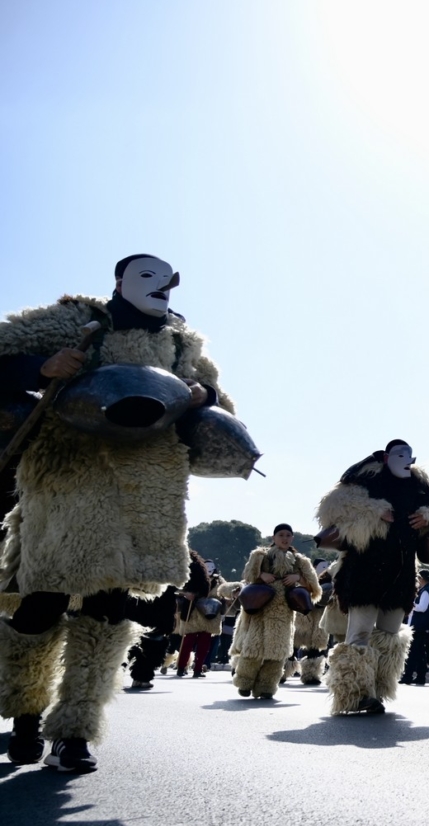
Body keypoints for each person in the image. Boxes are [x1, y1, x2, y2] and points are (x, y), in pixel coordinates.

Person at [0, 254, 236, 772]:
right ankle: (24, 714)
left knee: (108, 612)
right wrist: (37, 367)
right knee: (42, 603)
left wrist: (205, 393)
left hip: (144, 490)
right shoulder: (73, 320)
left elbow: (224, 410)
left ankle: (75, 731)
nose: (163, 286)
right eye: (148, 276)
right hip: (68, 481)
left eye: (169, 279)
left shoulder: (184, 344)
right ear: (120, 282)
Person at [316, 440, 429, 715]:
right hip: (364, 571)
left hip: (401, 574)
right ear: (386, 457)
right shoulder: (365, 478)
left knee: (389, 634)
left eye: (410, 455)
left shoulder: (422, 486)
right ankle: (355, 695)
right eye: (400, 454)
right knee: (359, 631)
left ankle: (377, 691)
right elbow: (332, 507)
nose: (407, 459)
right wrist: (373, 510)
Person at [228, 525, 320, 700]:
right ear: (274, 537)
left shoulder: (301, 561)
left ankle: (267, 687)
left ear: (292, 538)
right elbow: (247, 575)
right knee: (253, 648)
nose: (284, 538)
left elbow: (315, 589)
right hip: (260, 609)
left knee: (278, 653)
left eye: (288, 535)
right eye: (281, 535)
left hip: (283, 613)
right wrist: (261, 575)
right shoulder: (260, 555)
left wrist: (297, 578)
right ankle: (244, 683)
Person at [176, 550, 221, 678]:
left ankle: (198, 668)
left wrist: (233, 592)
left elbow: (225, 589)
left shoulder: (218, 581)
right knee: (188, 642)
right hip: (193, 614)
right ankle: (181, 666)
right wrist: (186, 594)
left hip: (209, 616)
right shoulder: (191, 576)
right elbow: (177, 588)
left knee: (204, 644)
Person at [402, 570, 429, 686]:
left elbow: (422, 607)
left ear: (421, 579)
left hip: (419, 627)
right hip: (417, 626)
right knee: (419, 653)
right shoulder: (424, 591)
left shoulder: (426, 591)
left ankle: (408, 676)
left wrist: (411, 604)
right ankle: (420, 676)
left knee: (414, 653)